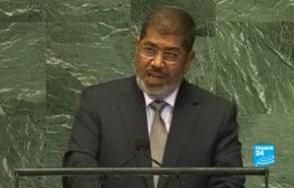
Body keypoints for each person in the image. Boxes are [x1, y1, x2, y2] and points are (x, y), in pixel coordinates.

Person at [63, 5, 245, 188]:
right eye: (149, 50)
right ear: (137, 46)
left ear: (189, 60)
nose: (157, 63)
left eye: (171, 55)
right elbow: (78, 171)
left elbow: (229, 182)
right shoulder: (99, 102)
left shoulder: (217, 115)